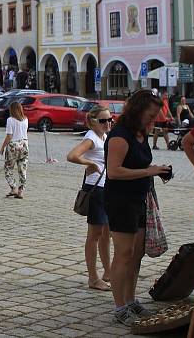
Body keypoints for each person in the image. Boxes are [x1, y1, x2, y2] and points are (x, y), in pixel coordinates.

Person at [104, 90, 170, 325]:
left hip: (141, 199)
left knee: (136, 255)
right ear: (138, 111)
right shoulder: (120, 136)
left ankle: (131, 300)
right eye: (150, 116)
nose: (153, 121)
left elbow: (139, 164)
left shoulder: (140, 134)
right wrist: (148, 171)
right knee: (123, 254)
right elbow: (114, 171)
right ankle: (119, 306)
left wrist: (156, 170)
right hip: (121, 201)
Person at [66, 105, 113, 292]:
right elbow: (72, 155)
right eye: (103, 120)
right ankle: (93, 277)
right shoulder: (91, 138)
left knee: (106, 233)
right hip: (96, 190)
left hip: (107, 189)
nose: (108, 123)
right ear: (93, 122)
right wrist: (90, 163)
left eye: (110, 119)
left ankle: (108, 272)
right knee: (94, 235)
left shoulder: (105, 137)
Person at [0, 102, 29, 199]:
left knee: (8, 168)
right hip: (24, 144)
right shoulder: (25, 119)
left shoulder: (10, 120)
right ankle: (21, 191)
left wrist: (3, 146)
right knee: (22, 169)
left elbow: (9, 135)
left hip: (13, 145)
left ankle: (13, 187)